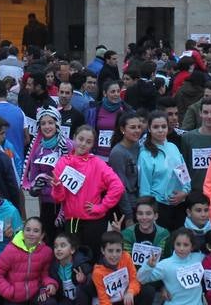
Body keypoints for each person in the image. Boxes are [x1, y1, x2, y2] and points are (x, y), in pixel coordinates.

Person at [49, 125, 125, 255]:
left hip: (95, 221)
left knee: (92, 256)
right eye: (81, 139)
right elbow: (58, 198)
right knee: (73, 257)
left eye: (88, 142)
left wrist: (102, 206)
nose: (83, 144)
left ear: (93, 145)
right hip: (73, 219)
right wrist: (57, 187)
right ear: (74, 138)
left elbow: (118, 186)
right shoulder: (63, 162)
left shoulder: (98, 163)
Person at [0, 215, 59, 305]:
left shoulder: (46, 252)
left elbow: (44, 274)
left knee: (50, 304)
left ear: (42, 235)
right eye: (28, 230)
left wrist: (50, 284)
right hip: (15, 295)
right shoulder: (11, 250)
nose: (31, 234)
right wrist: (9, 291)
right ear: (22, 231)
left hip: (34, 292)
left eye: (36, 231)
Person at [137, 227, 207, 305]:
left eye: (186, 245)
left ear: (192, 246)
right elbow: (142, 279)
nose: (181, 248)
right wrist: (148, 266)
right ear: (173, 245)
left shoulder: (199, 258)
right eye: (178, 244)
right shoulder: (165, 264)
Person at [88, 231, 157, 305]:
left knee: (148, 290)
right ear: (102, 251)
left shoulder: (126, 257)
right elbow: (104, 302)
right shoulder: (98, 272)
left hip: (125, 301)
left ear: (122, 250)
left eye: (118, 251)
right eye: (110, 251)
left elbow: (135, 279)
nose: (114, 255)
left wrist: (131, 291)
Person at [21, 106, 70, 241]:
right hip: (47, 204)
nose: (47, 126)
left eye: (50, 123)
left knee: (66, 241)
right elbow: (32, 181)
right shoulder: (37, 150)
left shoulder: (68, 145)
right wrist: (35, 188)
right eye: (43, 123)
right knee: (48, 241)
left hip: (67, 205)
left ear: (57, 124)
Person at [138, 110, 190, 231]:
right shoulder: (145, 155)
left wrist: (185, 192)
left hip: (179, 204)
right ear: (149, 129)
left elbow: (184, 174)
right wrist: (149, 211)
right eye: (156, 127)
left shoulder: (173, 147)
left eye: (163, 126)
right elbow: (145, 188)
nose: (160, 130)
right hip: (159, 207)